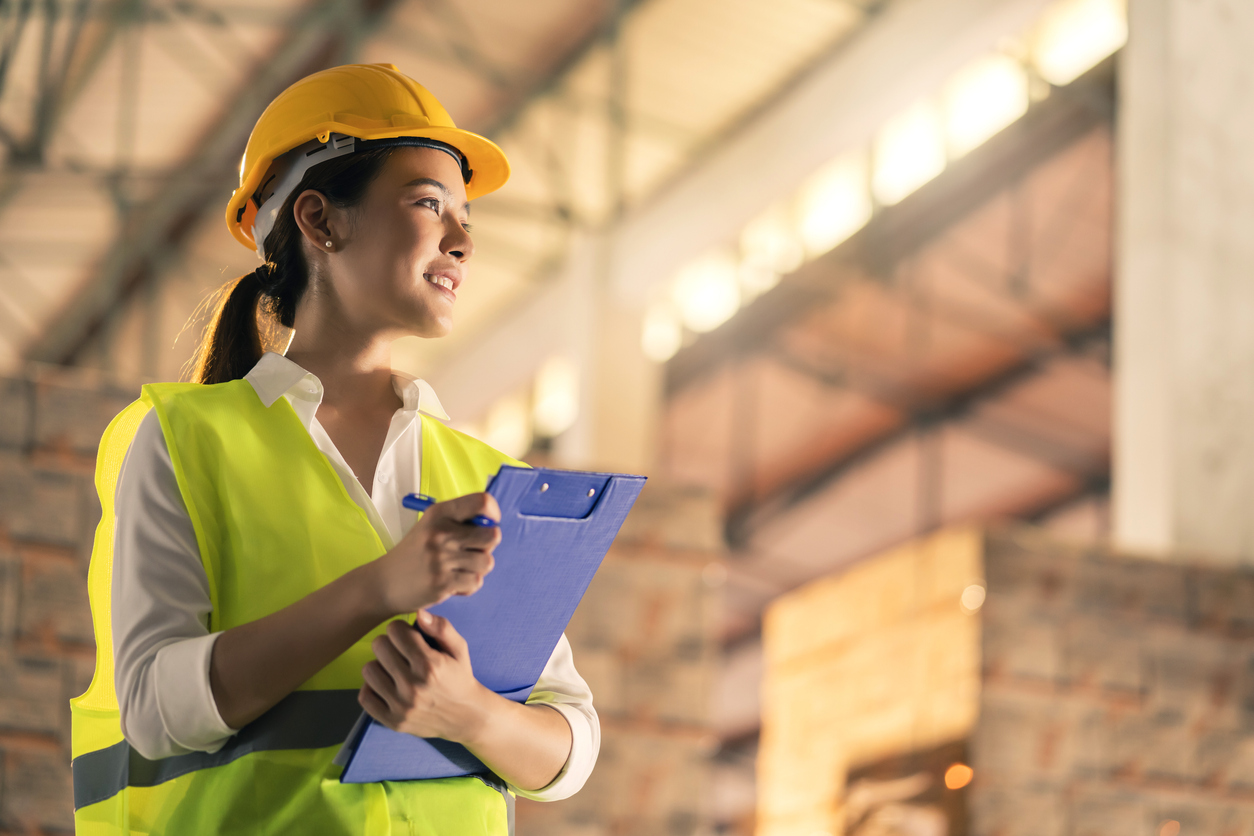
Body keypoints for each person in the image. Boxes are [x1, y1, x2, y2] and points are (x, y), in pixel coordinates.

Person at [70, 63, 598, 835]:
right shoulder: (185, 441)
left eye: (466, 218)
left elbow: (569, 743)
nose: (462, 241)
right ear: (321, 221)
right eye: (428, 203)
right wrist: (378, 588)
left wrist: (470, 715)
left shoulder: (487, 476)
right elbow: (154, 708)